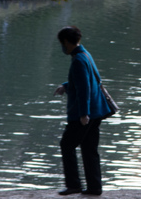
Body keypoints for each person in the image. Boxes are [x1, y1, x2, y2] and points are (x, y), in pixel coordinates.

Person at [53, 26, 111, 196]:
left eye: (61, 43)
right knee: (89, 148)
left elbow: (85, 88)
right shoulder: (86, 54)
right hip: (96, 111)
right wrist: (66, 86)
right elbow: (91, 80)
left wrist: (83, 114)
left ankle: (74, 185)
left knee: (67, 145)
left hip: (84, 114)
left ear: (65, 42)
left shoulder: (78, 59)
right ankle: (94, 187)